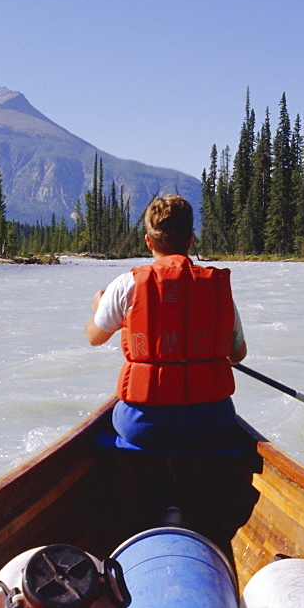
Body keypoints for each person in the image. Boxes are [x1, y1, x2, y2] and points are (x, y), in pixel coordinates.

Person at [85, 194, 247, 454]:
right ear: (191, 240)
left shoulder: (126, 284)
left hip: (144, 427)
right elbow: (238, 356)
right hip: (214, 424)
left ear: (148, 241)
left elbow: (94, 337)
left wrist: (99, 306)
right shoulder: (215, 289)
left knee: (107, 424)